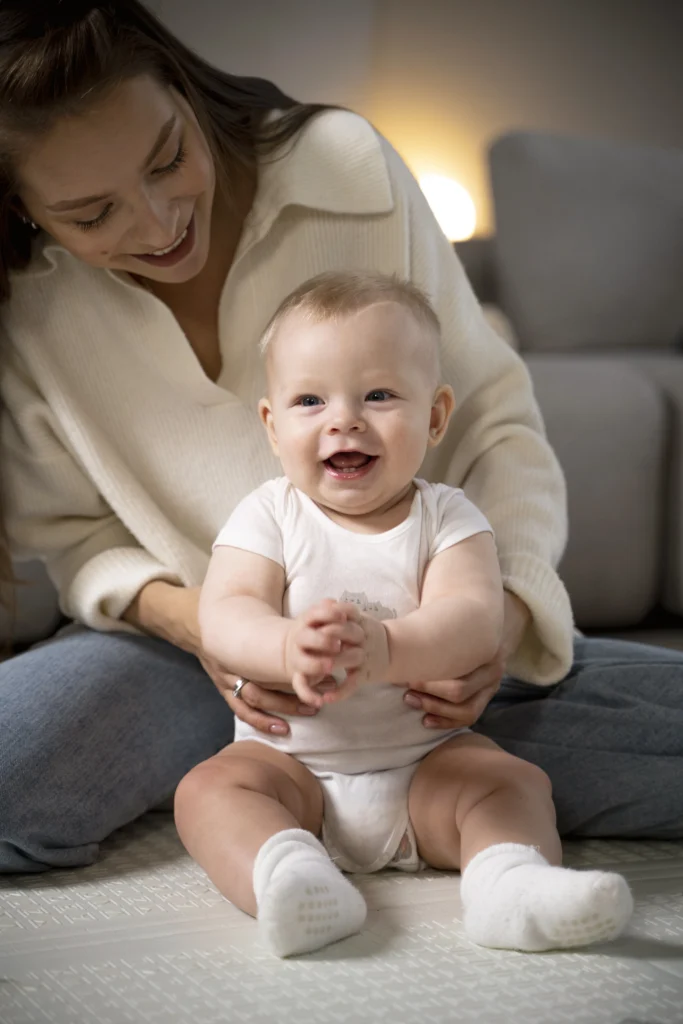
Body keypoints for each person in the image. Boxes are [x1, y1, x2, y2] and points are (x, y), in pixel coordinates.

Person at [0, 0, 680, 876]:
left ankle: (390, 788)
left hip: (417, 651)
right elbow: (77, 540)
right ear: (21, 213)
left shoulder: (340, 166)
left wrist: (492, 629)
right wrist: (215, 634)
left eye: (168, 157)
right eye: (92, 215)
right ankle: (259, 790)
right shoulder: (29, 301)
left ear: (181, 87)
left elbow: (492, 423)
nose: (157, 222)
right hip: (173, 652)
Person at [180, 270, 634, 958]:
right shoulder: (268, 513)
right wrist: (284, 648)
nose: (344, 419)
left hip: (424, 765)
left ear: (435, 415)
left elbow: (474, 617)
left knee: (509, 782)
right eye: (309, 400)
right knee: (209, 790)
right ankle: (289, 878)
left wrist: (385, 650)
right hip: (289, 768)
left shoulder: (447, 517)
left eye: (379, 395)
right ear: (271, 425)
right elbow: (226, 613)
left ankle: (507, 887)